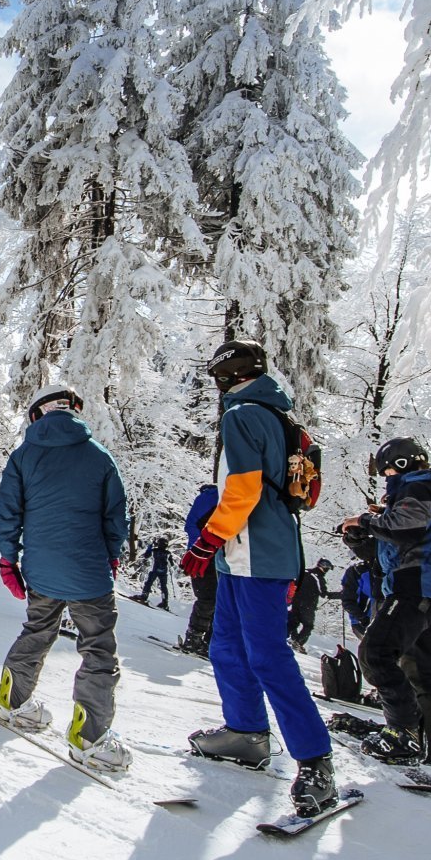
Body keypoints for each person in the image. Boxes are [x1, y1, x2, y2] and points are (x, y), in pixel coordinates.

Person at [180, 340, 337, 817]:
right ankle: (246, 732)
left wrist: (209, 538)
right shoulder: (276, 413)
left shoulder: (243, 414)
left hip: (255, 553)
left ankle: (315, 761)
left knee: (267, 655)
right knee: (226, 645)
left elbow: (245, 487)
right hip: (244, 553)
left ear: (227, 376)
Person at [0, 385, 131, 772]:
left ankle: (11, 702)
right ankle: (90, 737)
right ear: (73, 411)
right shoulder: (99, 457)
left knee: (38, 629)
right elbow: (116, 517)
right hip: (90, 572)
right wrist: (112, 557)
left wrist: (8, 559)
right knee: (98, 649)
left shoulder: (23, 456)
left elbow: (8, 511)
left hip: (41, 570)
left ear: (38, 414)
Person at [342, 436, 431, 769]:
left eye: (387, 470)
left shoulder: (418, 487)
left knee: (376, 652)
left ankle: (403, 733)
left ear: (401, 463)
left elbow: (405, 528)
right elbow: (404, 543)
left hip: (416, 586)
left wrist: (367, 522)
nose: (387, 478)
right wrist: (366, 541)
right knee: (423, 671)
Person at [176, 485, 220, 652]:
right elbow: (193, 526)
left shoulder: (209, 498)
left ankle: (204, 640)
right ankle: (197, 639)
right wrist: (202, 548)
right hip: (204, 555)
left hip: (209, 555)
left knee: (214, 600)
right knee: (210, 599)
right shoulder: (212, 498)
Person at [135, 534, 172, 609]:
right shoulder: (168, 553)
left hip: (155, 570)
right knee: (163, 586)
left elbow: (146, 555)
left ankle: (144, 596)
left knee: (149, 583)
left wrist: (150, 546)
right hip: (164, 572)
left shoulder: (155, 551)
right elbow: (171, 563)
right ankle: (165, 602)